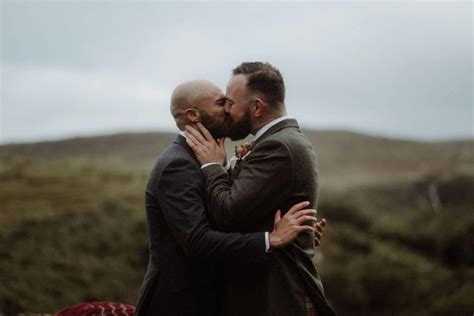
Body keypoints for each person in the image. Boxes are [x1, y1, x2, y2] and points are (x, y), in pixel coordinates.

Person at [135, 79, 326, 316]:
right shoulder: (177, 165)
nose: (229, 109)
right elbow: (198, 241)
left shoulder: (205, 160)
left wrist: (297, 234)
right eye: (221, 103)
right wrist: (271, 239)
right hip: (182, 303)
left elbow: (225, 217)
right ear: (193, 115)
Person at [185, 62, 336, 316]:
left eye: (230, 103)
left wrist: (212, 165)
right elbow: (254, 208)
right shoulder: (276, 141)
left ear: (256, 107)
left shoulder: (279, 146)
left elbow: (228, 212)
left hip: (278, 298)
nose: (226, 111)